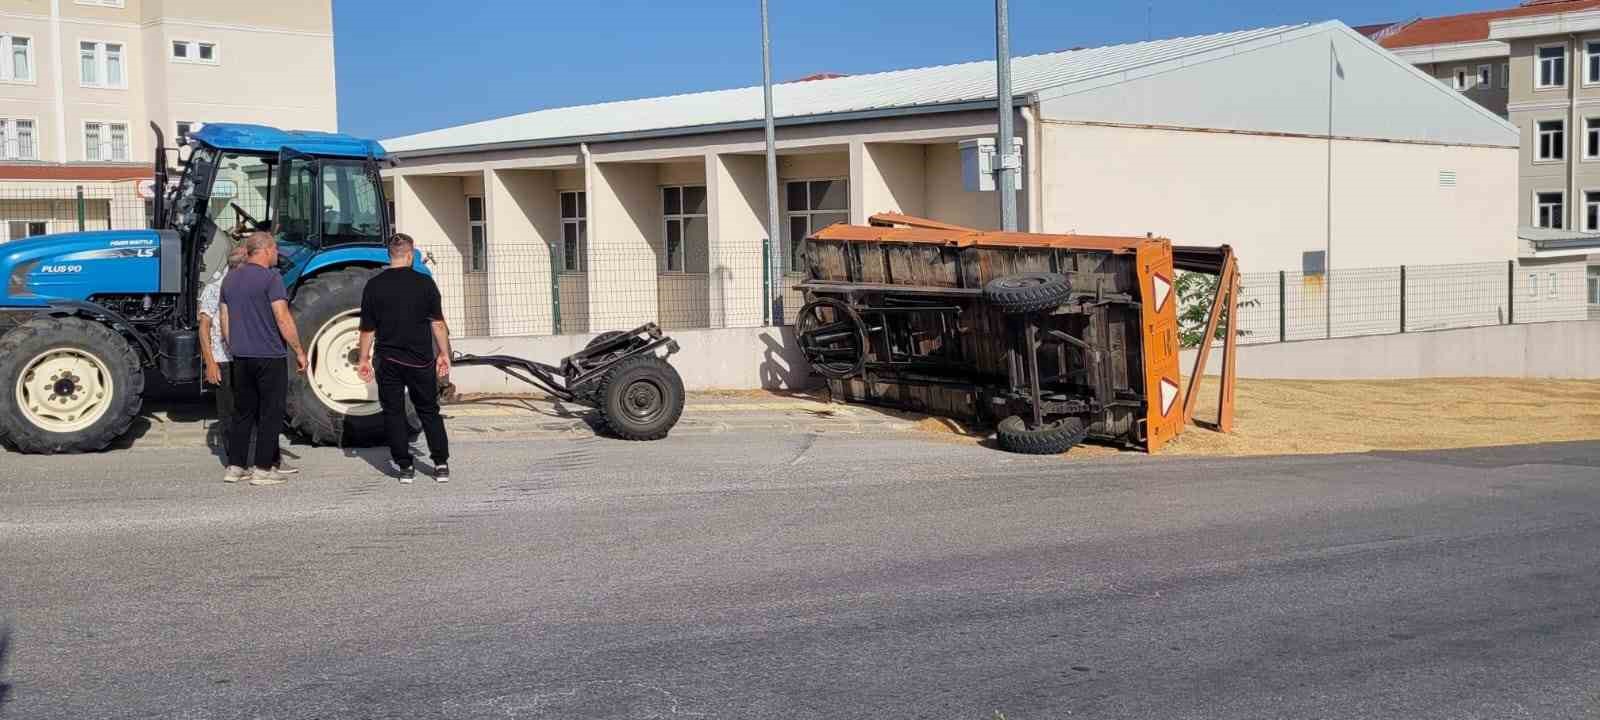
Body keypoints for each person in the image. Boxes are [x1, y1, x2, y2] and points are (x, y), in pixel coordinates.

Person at [356, 233, 451, 484]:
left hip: (388, 360)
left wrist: (363, 358)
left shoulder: (374, 286)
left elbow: (367, 329)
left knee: (394, 412)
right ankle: (440, 464)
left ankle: (405, 467)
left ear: (390, 255)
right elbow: (438, 324)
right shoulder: (425, 284)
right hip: (420, 360)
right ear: (410, 255)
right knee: (429, 411)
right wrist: (444, 354)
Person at [200, 246, 299, 476]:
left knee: (252, 411)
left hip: (240, 355)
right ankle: (239, 463)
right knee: (238, 413)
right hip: (228, 357)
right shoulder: (217, 288)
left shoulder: (234, 284)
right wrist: (211, 362)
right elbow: (206, 327)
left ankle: (263, 461)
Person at [219, 232, 308, 486]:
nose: (277, 254)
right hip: (269, 355)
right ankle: (263, 469)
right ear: (266, 250)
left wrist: (233, 344)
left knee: (243, 412)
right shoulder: (272, 278)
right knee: (270, 413)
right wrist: (299, 351)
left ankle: (235, 466)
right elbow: (282, 318)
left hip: (241, 355)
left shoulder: (230, 279)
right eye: (276, 250)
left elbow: (225, 318)